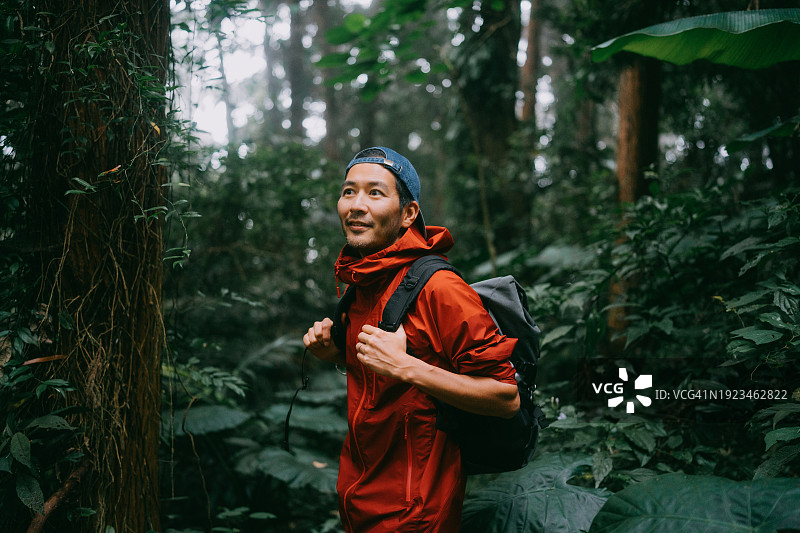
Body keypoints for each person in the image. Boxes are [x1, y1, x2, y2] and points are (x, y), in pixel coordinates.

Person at [303, 146, 520, 532]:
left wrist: (406, 366)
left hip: (416, 512)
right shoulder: (361, 285)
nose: (355, 204)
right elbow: (381, 374)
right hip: (358, 498)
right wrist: (335, 353)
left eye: (375, 193)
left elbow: (505, 397)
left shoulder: (441, 288)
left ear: (408, 214)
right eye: (349, 191)